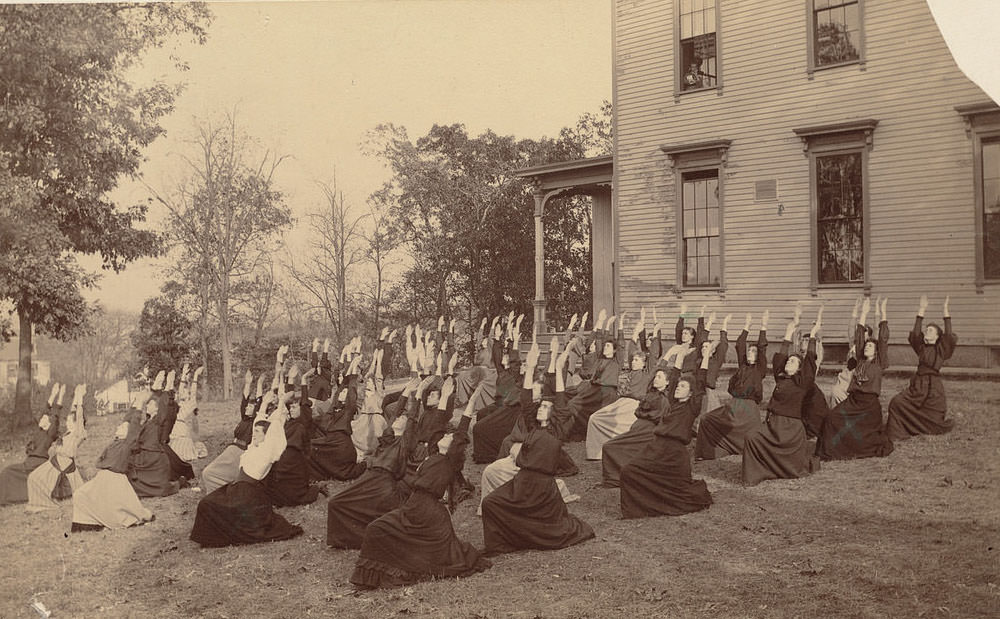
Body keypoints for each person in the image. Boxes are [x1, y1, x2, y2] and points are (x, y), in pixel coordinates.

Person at [350, 377, 491, 589]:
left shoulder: (450, 460)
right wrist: (422, 394)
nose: (445, 435)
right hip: (412, 507)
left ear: (454, 444)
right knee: (375, 528)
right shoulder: (433, 452)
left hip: (429, 515)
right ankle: (370, 577)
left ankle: (382, 576)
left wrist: (470, 401)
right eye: (445, 435)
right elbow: (433, 425)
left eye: (449, 436)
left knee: (387, 534)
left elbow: (460, 427)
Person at [480, 342, 594, 555]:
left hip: (542, 489)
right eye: (540, 406)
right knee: (490, 503)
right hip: (521, 483)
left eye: (546, 407)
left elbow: (560, 401)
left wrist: (559, 370)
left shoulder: (557, 430)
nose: (541, 409)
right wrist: (530, 367)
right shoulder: (532, 426)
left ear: (554, 414)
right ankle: (499, 545)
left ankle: (525, 536)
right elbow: (525, 401)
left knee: (548, 527)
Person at [190, 389, 304, 547]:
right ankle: (210, 538)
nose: (254, 434)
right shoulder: (253, 448)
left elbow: (275, 425)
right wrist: (264, 403)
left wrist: (282, 402)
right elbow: (258, 420)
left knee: (211, 506)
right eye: (254, 432)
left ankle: (216, 539)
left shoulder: (267, 451)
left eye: (258, 432)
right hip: (235, 489)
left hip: (249, 495)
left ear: (267, 435)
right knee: (206, 503)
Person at [618, 340, 714, 519]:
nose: (678, 388)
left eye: (683, 387)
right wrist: (679, 355)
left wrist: (706, 356)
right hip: (656, 446)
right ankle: (635, 509)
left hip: (673, 454)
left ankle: (648, 508)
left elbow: (700, 381)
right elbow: (675, 375)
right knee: (629, 471)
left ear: (691, 393)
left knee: (672, 489)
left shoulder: (692, 406)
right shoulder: (672, 402)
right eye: (677, 386)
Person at [326, 377, 423, 549]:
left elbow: (412, 418)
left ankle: (364, 539)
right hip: (368, 478)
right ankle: (341, 540)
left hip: (384, 484)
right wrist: (406, 392)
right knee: (336, 503)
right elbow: (393, 415)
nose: (399, 418)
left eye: (403, 418)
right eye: (399, 417)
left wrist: (418, 395)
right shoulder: (388, 437)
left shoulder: (406, 443)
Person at [742, 306, 823, 486]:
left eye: (793, 361)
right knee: (751, 437)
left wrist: (812, 335)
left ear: (799, 368)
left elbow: (810, 361)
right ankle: (756, 474)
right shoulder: (781, 378)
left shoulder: (802, 383)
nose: (788, 362)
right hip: (772, 425)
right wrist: (788, 332)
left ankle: (778, 467)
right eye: (789, 360)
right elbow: (779, 358)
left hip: (789, 429)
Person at [816, 297, 894, 460]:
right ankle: (829, 451)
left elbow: (884, 338)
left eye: (871, 346)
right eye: (866, 345)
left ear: (877, 351)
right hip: (853, 401)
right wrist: (863, 313)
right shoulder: (859, 360)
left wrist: (883, 313)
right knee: (831, 417)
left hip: (869, 406)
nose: (867, 347)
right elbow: (858, 336)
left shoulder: (880, 362)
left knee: (862, 434)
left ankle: (857, 447)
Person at [585, 308, 661, 461]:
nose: (633, 362)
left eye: (637, 360)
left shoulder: (648, 373)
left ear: (644, 363)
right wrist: (634, 334)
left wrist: (655, 331)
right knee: (595, 417)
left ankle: (618, 446)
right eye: (633, 360)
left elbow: (653, 353)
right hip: (621, 401)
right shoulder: (630, 372)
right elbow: (631, 349)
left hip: (635, 404)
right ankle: (596, 452)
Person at [695, 312, 768, 460]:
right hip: (733, 406)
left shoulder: (760, 369)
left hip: (748, 409)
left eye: (753, 351)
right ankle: (707, 451)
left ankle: (739, 447)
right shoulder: (742, 366)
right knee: (706, 419)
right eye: (749, 351)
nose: (750, 353)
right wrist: (747, 325)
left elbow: (761, 347)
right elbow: (740, 344)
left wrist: (763, 326)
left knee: (750, 439)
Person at [886, 295, 958, 440]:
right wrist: (921, 310)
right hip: (918, 385)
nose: (927, 332)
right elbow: (916, 334)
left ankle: (925, 426)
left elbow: (949, 335)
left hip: (933, 389)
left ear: (938, 336)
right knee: (896, 402)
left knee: (932, 416)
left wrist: (945, 311)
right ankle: (898, 432)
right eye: (927, 330)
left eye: (931, 330)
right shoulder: (921, 347)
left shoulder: (942, 349)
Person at [72, 410, 155, 531]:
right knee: (79, 494)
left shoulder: (128, 444)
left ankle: (98, 523)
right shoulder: (113, 444)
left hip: (115, 480)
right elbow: (99, 461)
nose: (119, 427)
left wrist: (137, 408)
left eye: (123, 427)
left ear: (129, 433)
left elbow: (134, 427)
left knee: (111, 508)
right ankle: (87, 523)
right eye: (120, 425)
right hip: (102, 478)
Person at [265, 359, 323, 507]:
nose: (292, 409)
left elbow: (304, 401)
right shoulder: (289, 422)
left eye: (295, 407)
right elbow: (286, 400)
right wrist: (289, 379)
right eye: (291, 408)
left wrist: (303, 379)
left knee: (292, 494)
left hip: (295, 462)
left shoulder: (304, 419)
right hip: (283, 458)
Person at [27, 384, 87, 511]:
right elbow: (72, 411)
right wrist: (75, 396)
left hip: (63, 465)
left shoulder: (78, 433)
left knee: (35, 478)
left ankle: (44, 505)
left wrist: (80, 398)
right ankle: (37, 503)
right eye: (68, 421)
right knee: (33, 478)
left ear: (76, 424)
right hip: (54, 462)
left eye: (70, 421)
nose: (67, 422)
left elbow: (79, 417)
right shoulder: (67, 433)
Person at [0, 383, 62, 506]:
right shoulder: (39, 431)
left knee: (8, 471)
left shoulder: (50, 434)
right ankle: (5, 498)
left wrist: (60, 396)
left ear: (49, 424)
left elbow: (55, 416)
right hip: (28, 463)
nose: (41, 419)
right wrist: (53, 394)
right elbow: (46, 410)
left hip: (37, 464)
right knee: (7, 471)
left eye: (44, 419)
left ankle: (7, 499)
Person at [309, 351, 367, 481]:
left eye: (345, 393)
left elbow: (351, 392)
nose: (342, 393)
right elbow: (339, 392)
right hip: (330, 443)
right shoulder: (334, 408)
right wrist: (349, 370)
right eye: (342, 392)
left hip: (341, 447)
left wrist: (353, 373)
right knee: (310, 447)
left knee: (342, 472)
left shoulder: (348, 410)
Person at [201, 371, 260, 494]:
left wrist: (259, 383)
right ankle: (216, 492)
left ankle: (221, 492)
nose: (247, 408)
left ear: (256, 410)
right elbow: (244, 401)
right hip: (231, 450)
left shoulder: (256, 421)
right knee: (208, 471)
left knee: (216, 474)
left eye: (251, 407)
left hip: (240, 452)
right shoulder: (245, 419)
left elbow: (260, 402)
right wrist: (248, 383)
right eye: (247, 406)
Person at [566, 308, 621, 440]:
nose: (606, 347)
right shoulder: (599, 358)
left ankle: (588, 431)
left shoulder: (617, 361)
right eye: (605, 346)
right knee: (572, 403)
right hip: (594, 389)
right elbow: (596, 339)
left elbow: (607, 338)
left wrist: (607, 325)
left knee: (594, 413)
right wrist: (600, 321)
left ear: (614, 351)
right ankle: (583, 430)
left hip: (607, 392)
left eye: (609, 346)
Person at [128, 373, 180, 498]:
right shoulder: (148, 420)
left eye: (150, 404)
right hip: (145, 458)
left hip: (154, 460)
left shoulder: (159, 421)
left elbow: (165, 406)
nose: (147, 405)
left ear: (157, 409)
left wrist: (166, 387)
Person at [168, 365, 208, 463]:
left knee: (179, 449)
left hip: (180, 430)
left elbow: (193, 392)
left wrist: (195, 376)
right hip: (172, 428)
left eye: (186, 392)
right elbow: (180, 390)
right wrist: (183, 374)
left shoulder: (190, 404)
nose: (182, 392)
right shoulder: (177, 402)